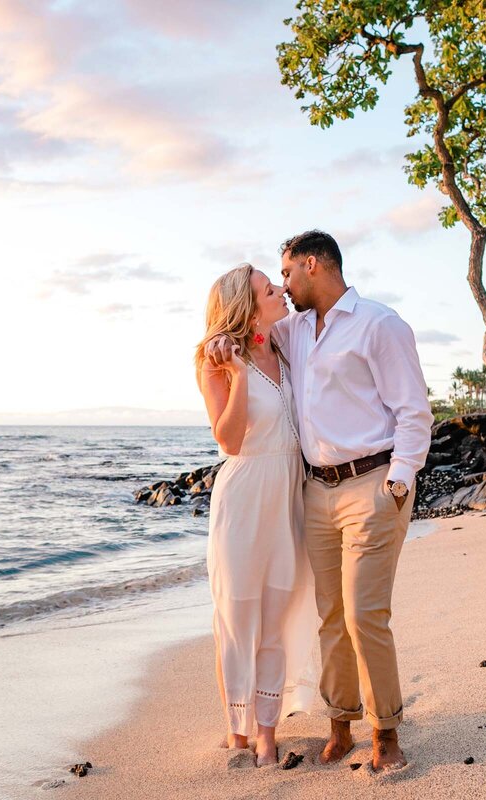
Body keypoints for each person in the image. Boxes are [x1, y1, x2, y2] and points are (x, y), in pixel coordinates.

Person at [206, 231, 432, 772]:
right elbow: (239, 329)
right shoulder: (293, 330)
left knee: (363, 614)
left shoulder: (380, 324)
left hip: (373, 485)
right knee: (330, 615)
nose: (281, 286)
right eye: (274, 282)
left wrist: (398, 482)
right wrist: (219, 347)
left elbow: (414, 412)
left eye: (285, 274)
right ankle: (340, 723)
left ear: (312, 265)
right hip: (312, 490)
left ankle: (386, 734)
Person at [194, 263, 319, 767]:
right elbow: (228, 440)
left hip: (287, 496)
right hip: (243, 501)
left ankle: (267, 733)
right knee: (236, 618)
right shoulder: (216, 362)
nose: (282, 292)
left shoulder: (285, 346)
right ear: (248, 310)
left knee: (274, 618)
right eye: (271, 290)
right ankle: (238, 733)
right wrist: (240, 375)